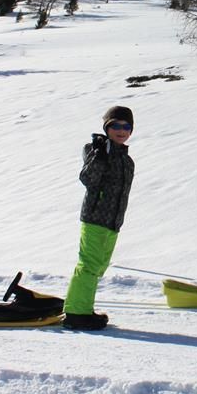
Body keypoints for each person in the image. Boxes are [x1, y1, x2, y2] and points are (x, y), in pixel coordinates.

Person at [62, 105, 136, 330]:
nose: (121, 131)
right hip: (95, 217)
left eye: (126, 126)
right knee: (89, 264)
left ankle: (84, 308)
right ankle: (76, 313)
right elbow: (88, 179)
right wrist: (99, 154)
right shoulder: (95, 150)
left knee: (99, 265)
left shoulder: (126, 160)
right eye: (116, 125)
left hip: (113, 221)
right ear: (107, 127)